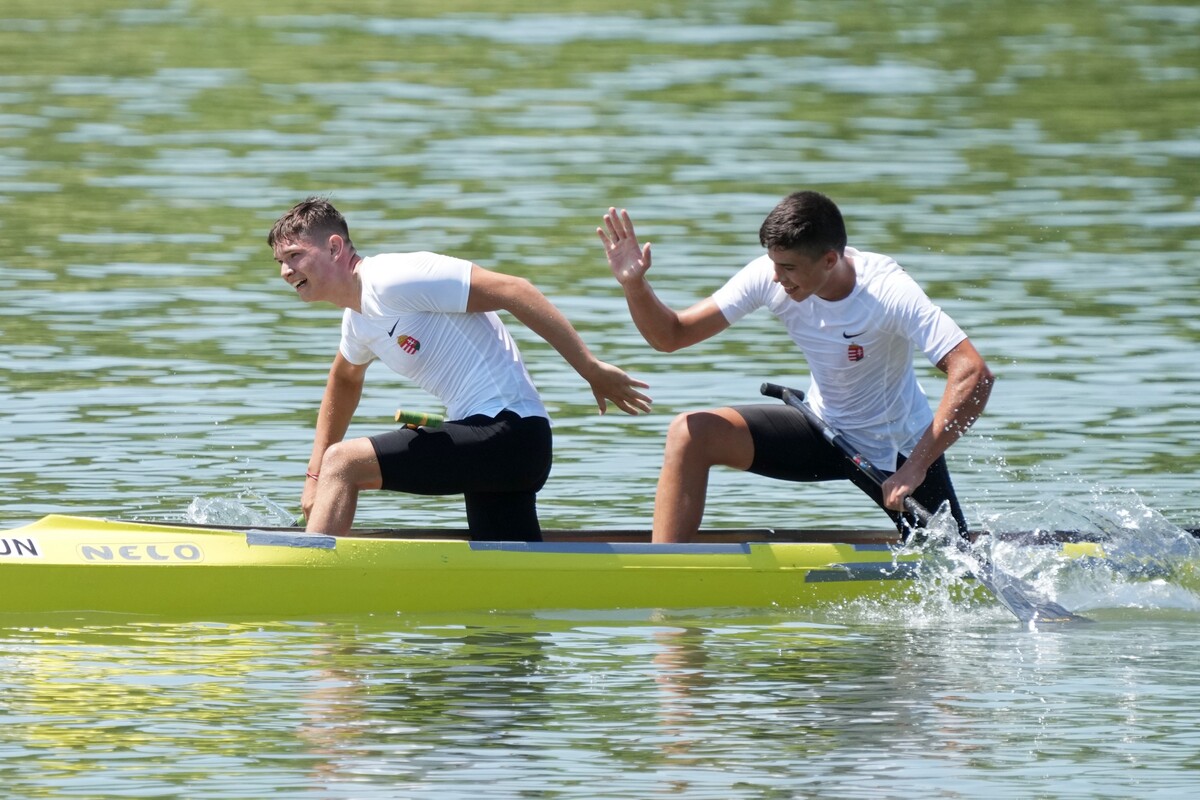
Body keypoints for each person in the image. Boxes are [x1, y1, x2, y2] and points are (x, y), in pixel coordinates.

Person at [597, 190, 993, 543]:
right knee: (690, 433)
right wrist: (635, 285)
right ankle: (666, 569)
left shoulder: (888, 291)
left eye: (788, 267)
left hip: (896, 451)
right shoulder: (771, 276)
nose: (776, 277)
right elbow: (671, 336)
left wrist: (916, 468)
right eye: (773, 263)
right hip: (823, 430)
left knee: (949, 564)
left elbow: (973, 373)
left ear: (830, 259)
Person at [270, 197, 651, 540]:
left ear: (334, 247)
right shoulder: (357, 322)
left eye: (294, 256)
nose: (286, 272)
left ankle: (302, 576)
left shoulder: (393, 278)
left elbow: (514, 290)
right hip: (493, 450)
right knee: (506, 589)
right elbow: (344, 380)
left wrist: (590, 368)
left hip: (509, 431)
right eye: (281, 263)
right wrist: (313, 477)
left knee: (344, 462)